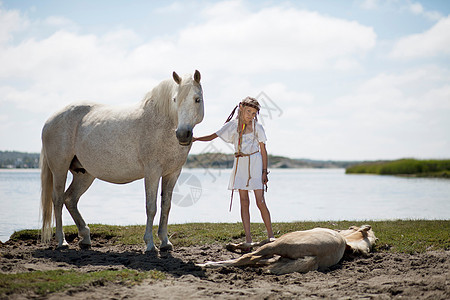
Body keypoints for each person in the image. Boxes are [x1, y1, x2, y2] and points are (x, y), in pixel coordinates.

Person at [193, 97, 275, 247]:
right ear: (242, 108)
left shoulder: (258, 128)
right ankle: (248, 239)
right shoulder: (232, 126)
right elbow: (213, 135)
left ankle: (271, 236)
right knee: (244, 201)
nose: (250, 115)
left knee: (260, 201)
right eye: (249, 111)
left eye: (254, 113)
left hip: (255, 163)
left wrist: (264, 172)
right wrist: (196, 139)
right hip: (240, 163)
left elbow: (263, 151)